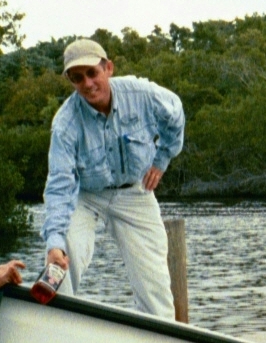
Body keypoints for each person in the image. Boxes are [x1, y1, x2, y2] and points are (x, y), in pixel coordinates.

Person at [42, 38, 185, 319]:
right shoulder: (65, 124)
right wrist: (54, 241)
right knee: (64, 251)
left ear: (108, 68)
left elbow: (176, 112)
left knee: (155, 287)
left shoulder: (141, 93)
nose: (87, 83)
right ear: (71, 81)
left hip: (135, 190)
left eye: (92, 73)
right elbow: (59, 187)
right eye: (77, 78)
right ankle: (58, 325)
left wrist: (162, 158)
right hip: (86, 195)